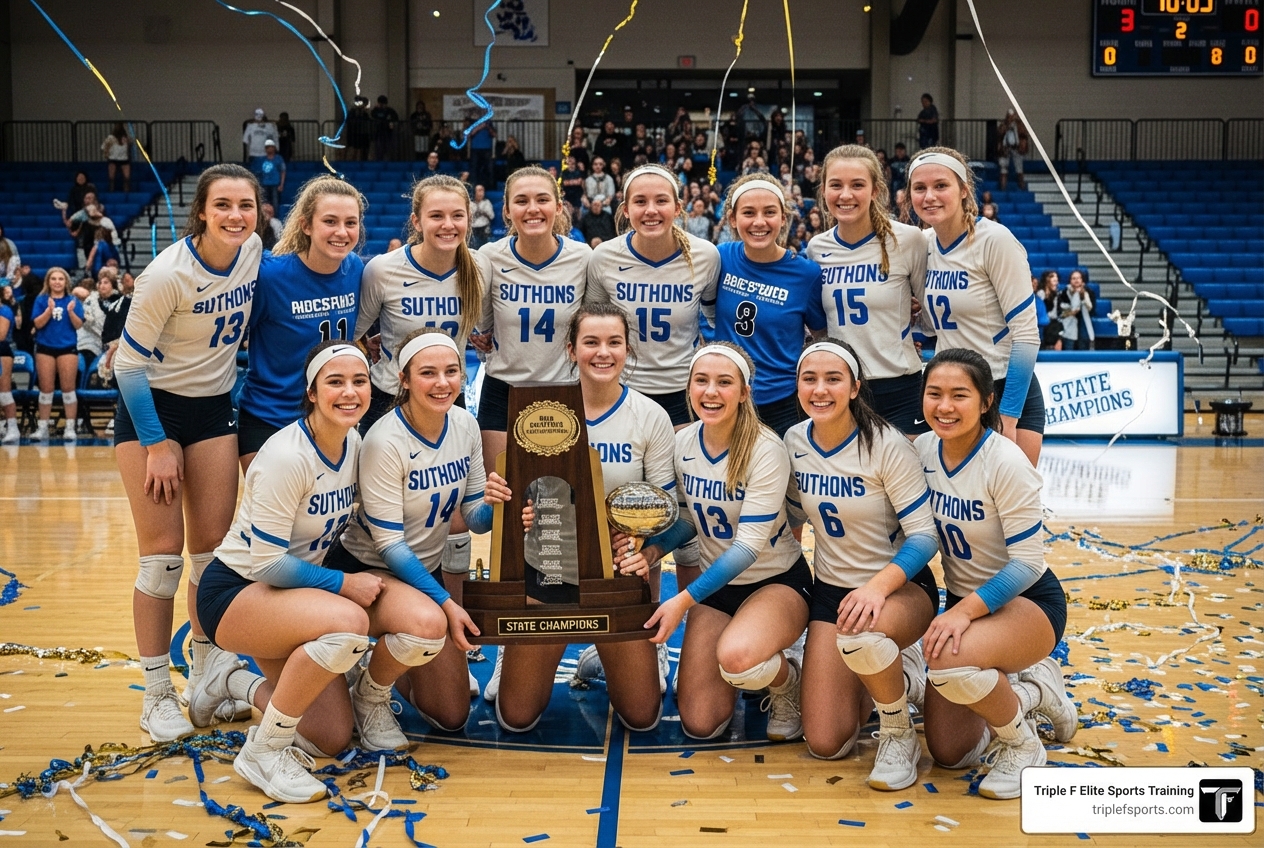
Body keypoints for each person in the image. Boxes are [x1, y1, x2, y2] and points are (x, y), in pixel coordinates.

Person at [113, 164, 264, 742]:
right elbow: (126, 365)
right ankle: (155, 695)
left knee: (211, 552)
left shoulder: (252, 254)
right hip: (153, 408)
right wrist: (155, 443)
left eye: (245, 205)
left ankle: (205, 676)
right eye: (222, 204)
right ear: (200, 211)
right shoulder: (166, 274)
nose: (235, 216)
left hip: (212, 407)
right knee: (162, 557)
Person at [192, 342, 379, 803]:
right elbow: (268, 563)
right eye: (335, 382)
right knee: (349, 624)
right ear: (312, 392)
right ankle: (263, 751)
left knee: (331, 737)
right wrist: (345, 584)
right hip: (238, 592)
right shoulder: (285, 455)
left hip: (288, 597)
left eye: (359, 381)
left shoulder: (352, 441)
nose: (350, 392)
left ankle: (232, 681)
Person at [327, 329, 511, 739]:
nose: (442, 383)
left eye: (451, 372)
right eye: (428, 373)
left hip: (420, 576)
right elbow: (390, 546)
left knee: (451, 713)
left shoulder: (464, 425)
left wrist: (498, 508)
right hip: (368, 572)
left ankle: (377, 664)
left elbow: (473, 517)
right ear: (404, 379)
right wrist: (446, 602)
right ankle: (370, 695)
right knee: (429, 623)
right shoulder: (383, 440)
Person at [497, 305, 671, 732]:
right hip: (551, 576)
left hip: (618, 581)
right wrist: (513, 508)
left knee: (642, 717)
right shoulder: (540, 412)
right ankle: (515, 647)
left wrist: (646, 553)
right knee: (515, 717)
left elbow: (673, 515)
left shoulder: (650, 417)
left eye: (614, 342)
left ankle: (608, 651)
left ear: (628, 350)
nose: (603, 353)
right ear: (571, 350)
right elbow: (518, 503)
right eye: (590, 342)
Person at [915, 348, 1075, 800]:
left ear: (987, 402)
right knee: (950, 752)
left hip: (1027, 602)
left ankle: (1023, 744)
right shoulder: (922, 449)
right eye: (935, 393)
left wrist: (961, 613)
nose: (945, 406)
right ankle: (1034, 693)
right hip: (967, 605)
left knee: (946, 659)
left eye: (959, 395)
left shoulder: (1005, 461)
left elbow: (1027, 563)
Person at [635, 343, 811, 741]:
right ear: (689, 387)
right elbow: (685, 520)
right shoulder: (681, 443)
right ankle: (750, 661)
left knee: (737, 657)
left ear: (745, 392)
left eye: (724, 383)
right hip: (717, 590)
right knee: (701, 723)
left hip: (775, 581)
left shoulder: (766, 449)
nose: (711, 392)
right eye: (702, 381)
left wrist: (681, 600)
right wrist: (654, 550)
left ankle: (787, 681)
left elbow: (748, 549)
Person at [786, 339, 938, 785]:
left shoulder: (887, 445)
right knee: (827, 742)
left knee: (865, 632)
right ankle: (894, 676)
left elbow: (925, 536)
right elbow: (791, 516)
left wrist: (878, 588)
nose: (820, 390)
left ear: (855, 387)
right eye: (809, 379)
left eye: (833, 379)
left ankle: (897, 728)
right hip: (832, 594)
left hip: (897, 589)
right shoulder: (795, 441)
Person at [906, 147, 1043, 465]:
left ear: (964, 190)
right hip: (951, 390)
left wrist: (1007, 418)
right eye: (920, 188)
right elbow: (933, 325)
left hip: (1003, 385)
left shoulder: (995, 240)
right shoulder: (921, 245)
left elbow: (1026, 336)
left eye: (941, 185)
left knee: (1011, 507)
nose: (930, 196)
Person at [238, 175, 367, 472]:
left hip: (332, 421)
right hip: (270, 419)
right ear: (306, 225)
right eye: (330, 222)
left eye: (351, 222)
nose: (342, 232)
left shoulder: (355, 269)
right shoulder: (269, 276)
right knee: (276, 517)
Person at [585, 164, 720, 428]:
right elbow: (591, 329)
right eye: (640, 201)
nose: (651, 210)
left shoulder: (705, 256)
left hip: (684, 391)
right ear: (625, 209)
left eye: (661, 201)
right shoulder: (604, 257)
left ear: (678, 207)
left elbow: (715, 320)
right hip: (623, 389)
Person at [355, 174, 490, 438]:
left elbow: (487, 327)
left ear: (468, 219)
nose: (448, 225)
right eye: (436, 216)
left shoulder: (480, 267)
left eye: (457, 216)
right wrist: (366, 343)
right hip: (390, 398)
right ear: (416, 221)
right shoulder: (383, 269)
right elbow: (353, 333)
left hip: (449, 397)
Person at [807, 145, 929, 435]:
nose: (845, 195)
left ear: (875, 190)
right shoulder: (816, 249)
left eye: (857, 185)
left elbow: (931, 310)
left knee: (905, 480)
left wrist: (909, 327)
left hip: (900, 386)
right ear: (824, 190)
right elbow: (821, 328)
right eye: (836, 185)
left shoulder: (909, 240)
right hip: (843, 389)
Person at [708, 174, 826, 437]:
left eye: (769, 212)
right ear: (732, 220)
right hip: (727, 397)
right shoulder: (719, 258)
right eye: (748, 213)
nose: (759, 222)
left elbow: (821, 337)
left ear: (783, 218)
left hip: (782, 402)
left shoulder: (806, 274)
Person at [30, 267, 83, 441]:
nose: (57, 282)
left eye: (61, 279)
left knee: (68, 389)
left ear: (66, 281)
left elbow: (78, 325)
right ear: (48, 281)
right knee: (46, 390)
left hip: (67, 347)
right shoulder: (41, 300)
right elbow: (37, 324)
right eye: (54, 279)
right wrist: (48, 310)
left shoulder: (73, 300)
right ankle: (43, 427)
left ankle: (70, 427)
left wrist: (70, 312)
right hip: (45, 347)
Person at [1055, 269, 1095, 351]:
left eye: (1078, 278)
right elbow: (1060, 310)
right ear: (1070, 280)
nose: (1076, 280)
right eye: (1073, 278)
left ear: (1082, 280)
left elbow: (1092, 309)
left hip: (1083, 323)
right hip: (1068, 325)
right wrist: (1071, 312)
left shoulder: (1089, 292)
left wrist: (1083, 297)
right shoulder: (1064, 292)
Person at [0, 285, 18, 443]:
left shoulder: (4, 310)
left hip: (3, 351)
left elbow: (1, 335)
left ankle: (13, 427)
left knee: (4, 391)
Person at [997, 108, 1029, 192]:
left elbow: (1024, 134)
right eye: (1009, 116)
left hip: (1016, 148)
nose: (1011, 118)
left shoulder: (1019, 125)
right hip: (1005, 148)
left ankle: (1022, 187)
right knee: (1003, 169)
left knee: (1019, 168)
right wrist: (1007, 125)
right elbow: (1000, 133)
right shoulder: (1004, 124)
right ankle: (1003, 189)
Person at [102, 122, 132, 193]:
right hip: (114, 159)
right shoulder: (110, 138)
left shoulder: (125, 138)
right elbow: (104, 147)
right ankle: (112, 191)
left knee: (126, 178)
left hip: (122, 159)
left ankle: (126, 191)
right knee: (112, 178)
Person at [466, 119, 496, 190]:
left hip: (487, 149)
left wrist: (488, 127)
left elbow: (494, 134)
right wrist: (480, 127)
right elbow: (469, 134)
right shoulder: (473, 122)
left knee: (489, 169)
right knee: (474, 170)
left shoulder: (489, 122)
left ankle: (489, 188)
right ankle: (473, 187)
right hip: (475, 149)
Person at [258, 140, 286, 209]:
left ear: (274, 148)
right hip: (264, 184)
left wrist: (281, 184)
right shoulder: (262, 159)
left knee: (275, 203)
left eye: (271, 147)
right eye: (267, 147)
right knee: (264, 203)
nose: (269, 149)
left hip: (275, 184)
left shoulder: (279, 159)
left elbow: (283, 171)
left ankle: (275, 218)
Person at [371, 95, 399, 161]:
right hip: (378, 133)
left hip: (388, 133)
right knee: (379, 149)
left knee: (388, 149)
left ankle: (387, 162)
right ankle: (379, 162)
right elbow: (372, 115)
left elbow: (395, 118)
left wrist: (392, 124)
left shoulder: (390, 111)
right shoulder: (376, 110)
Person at [470, 184, 494, 249]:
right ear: (474, 192)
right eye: (479, 191)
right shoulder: (470, 204)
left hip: (484, 229)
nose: (481, 193)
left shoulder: (487, 202)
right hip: (473, 229)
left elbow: (492, 217)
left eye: (482, 191)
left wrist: (483, 212)